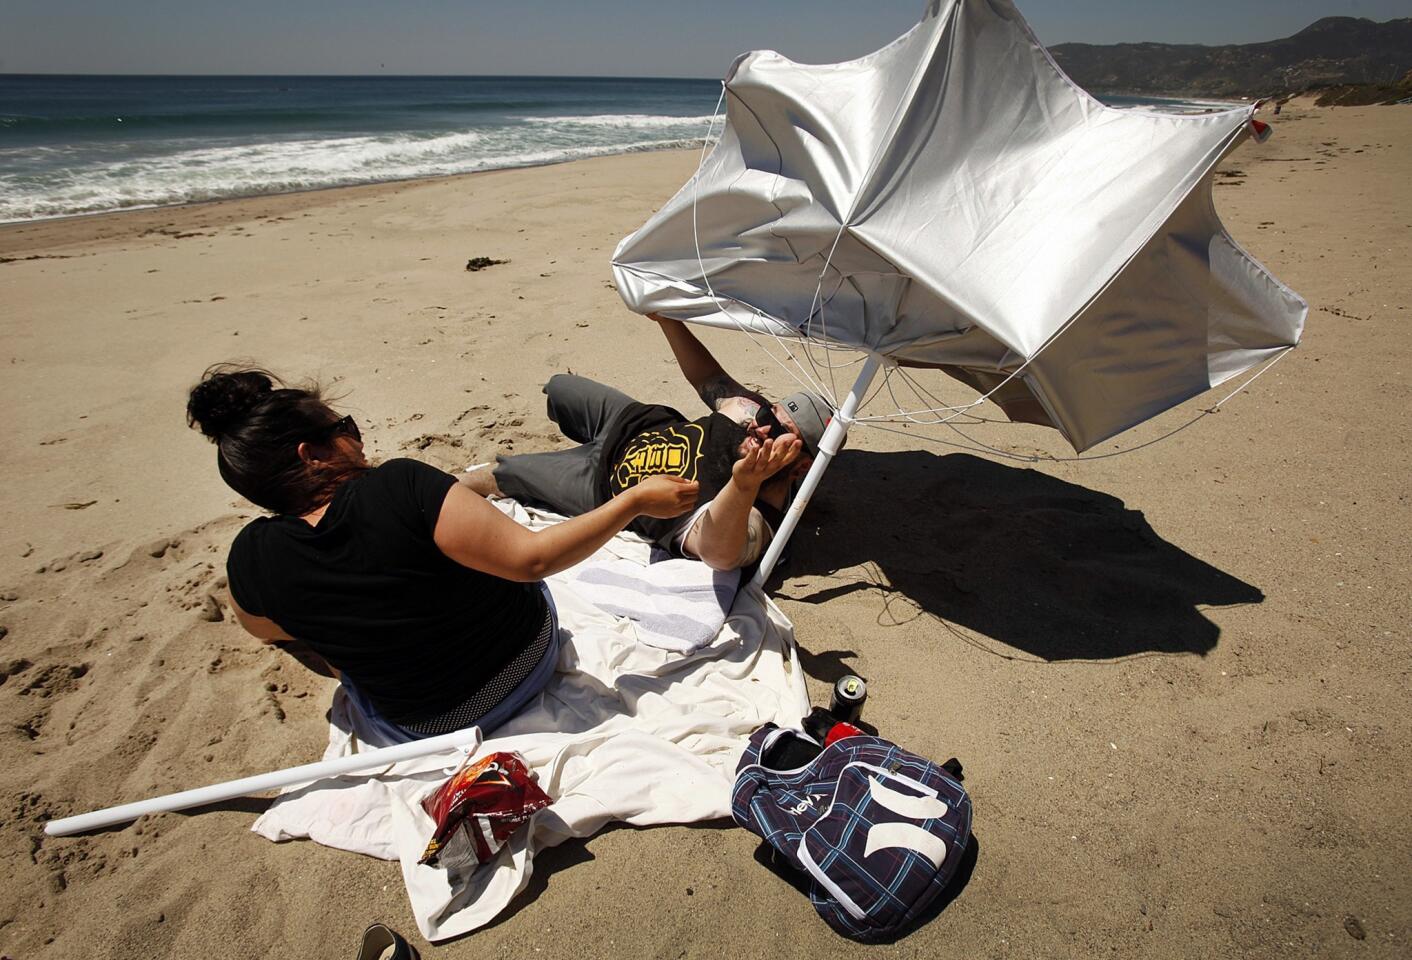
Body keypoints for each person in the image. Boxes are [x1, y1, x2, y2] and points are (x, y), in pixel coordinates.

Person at [186, 365, 697, 742]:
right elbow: (533, 560)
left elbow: (266, 631)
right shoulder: (399, 486)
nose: (356, 439)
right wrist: (634, 501)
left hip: (418, 724)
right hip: (523, 664)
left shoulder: (251, 557)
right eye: (343, 429)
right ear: (312, 454)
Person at [465, 313, 833, 571]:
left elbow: (719, 554)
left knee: (500, 475)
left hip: (600, 481)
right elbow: (708, 377)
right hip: (631, 419)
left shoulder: (759, 516)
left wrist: (743, 483)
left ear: (803, 466)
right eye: (770, 414)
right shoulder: (753, 417)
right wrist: (668, 321)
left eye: (782, 435)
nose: (762, 429)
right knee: (560, 387)